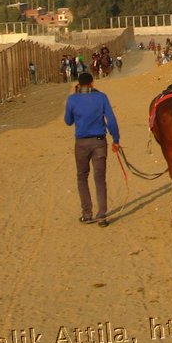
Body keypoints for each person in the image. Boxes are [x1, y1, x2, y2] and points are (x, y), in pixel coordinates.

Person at [64, 72, 120, 227]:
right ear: (92, 83)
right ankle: (102, 216)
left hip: (81, 143)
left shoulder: (72, 99)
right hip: (99, 142)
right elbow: (111, 120)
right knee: (100, 178)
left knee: (82, 177)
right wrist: (116, 139)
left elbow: (68, 121)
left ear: (78, 84)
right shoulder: (101, 97)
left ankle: (87, 214)